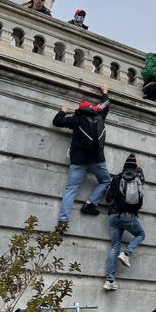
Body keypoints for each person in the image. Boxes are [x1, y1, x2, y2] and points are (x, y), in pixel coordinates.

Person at [53, 84, 112, 226]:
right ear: (90, 108)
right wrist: (105, 92)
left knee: (71, 189)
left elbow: (56, 122)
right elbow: (106, 105)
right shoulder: (99, 116)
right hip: (97, 159)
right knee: (105, 181)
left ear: (80, 110)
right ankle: (90, 203)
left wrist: (63, 111)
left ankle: (63, 220)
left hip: (78, 161)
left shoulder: (76, 119)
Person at [102, 154, 146, 291]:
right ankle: (126, 253)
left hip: (114, 215)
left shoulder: (117, 178)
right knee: (140, 234)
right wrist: (139, 167)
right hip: (128, 216)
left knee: (115, 246)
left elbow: (108, 199)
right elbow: (141, 181)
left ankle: (109, 280)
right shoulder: (138, 179)